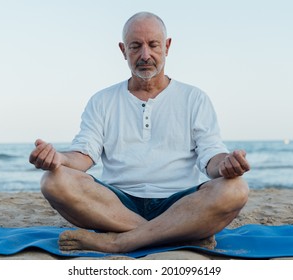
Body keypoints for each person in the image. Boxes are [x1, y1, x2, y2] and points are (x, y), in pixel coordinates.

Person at [29, 12, 250, 253]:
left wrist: (225, 165)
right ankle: (175, 235)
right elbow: (84, 154)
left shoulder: (194, 98)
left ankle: (122, 241)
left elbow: (211, 156)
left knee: (236, 188)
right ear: (123, 50)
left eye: (153, 45)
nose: (145, 55)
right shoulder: (102, 100)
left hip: (180, 203)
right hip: (116, 205)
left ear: (167, 46)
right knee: (53, 181)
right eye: (136, 46)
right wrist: (58, 159)